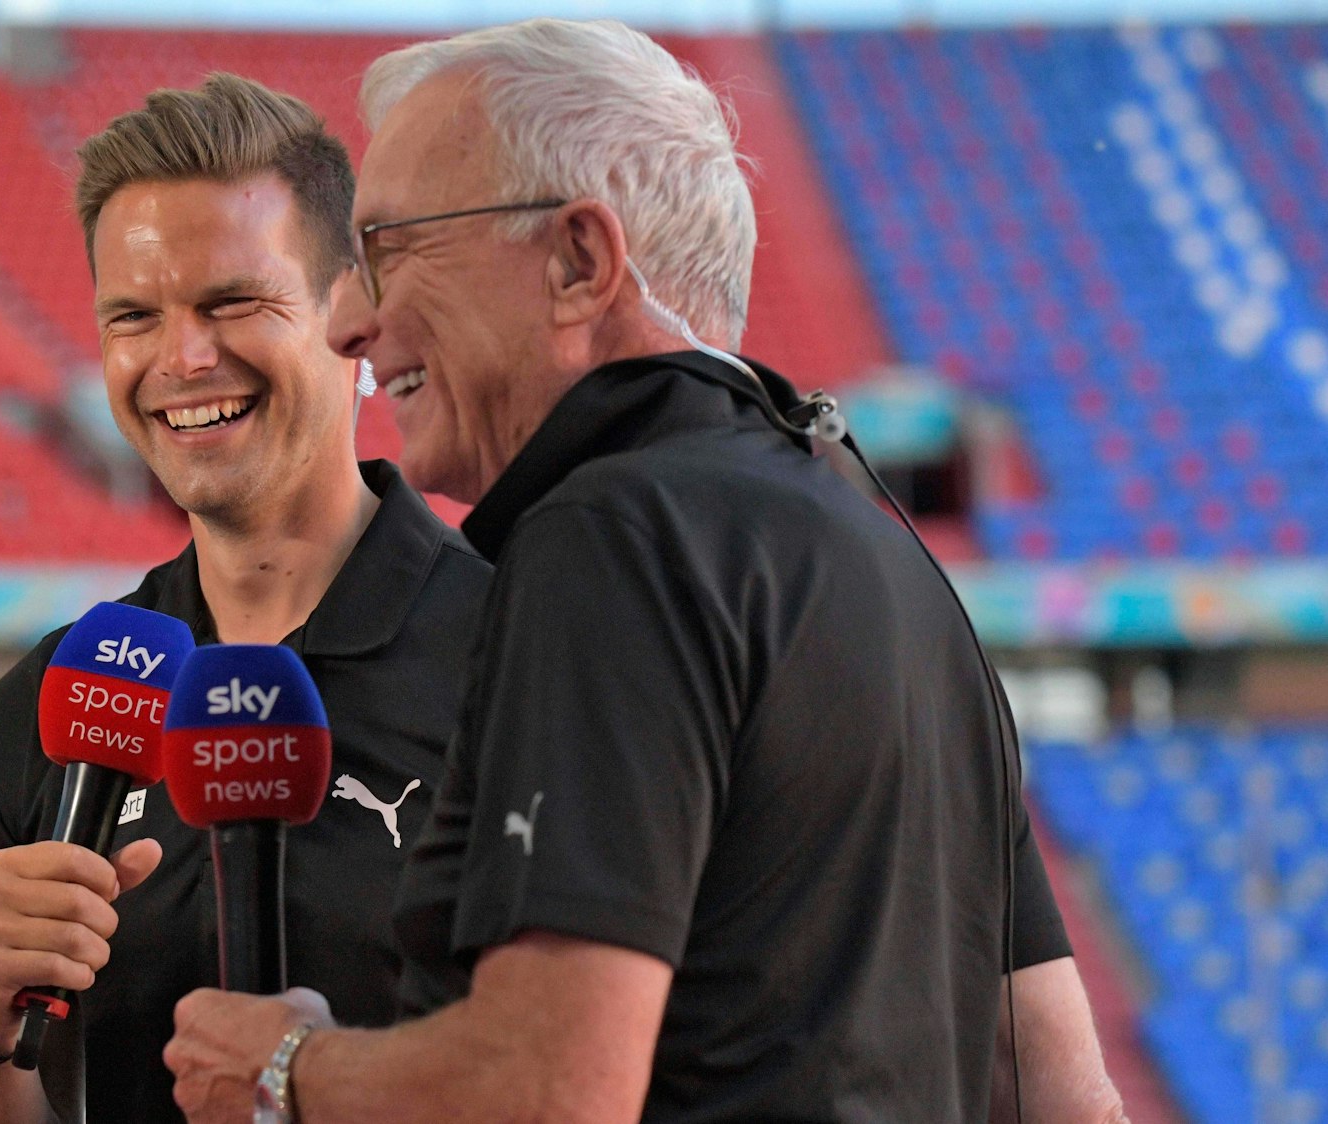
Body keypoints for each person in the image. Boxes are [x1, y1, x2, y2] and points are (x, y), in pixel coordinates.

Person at [163, 20, 1129, 1123]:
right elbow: (1067, 1097)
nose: (350, 318)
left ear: (580, 259)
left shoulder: (612, 535)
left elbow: (554, 1092)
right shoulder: (893, 560)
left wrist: (288, 1066)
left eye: (390, 249)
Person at [0, 74, 492, 1123]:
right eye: (134, 315)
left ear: (349, 317)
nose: (183, 359)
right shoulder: (49, 701)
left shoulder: (518, 654)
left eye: (234, 302)